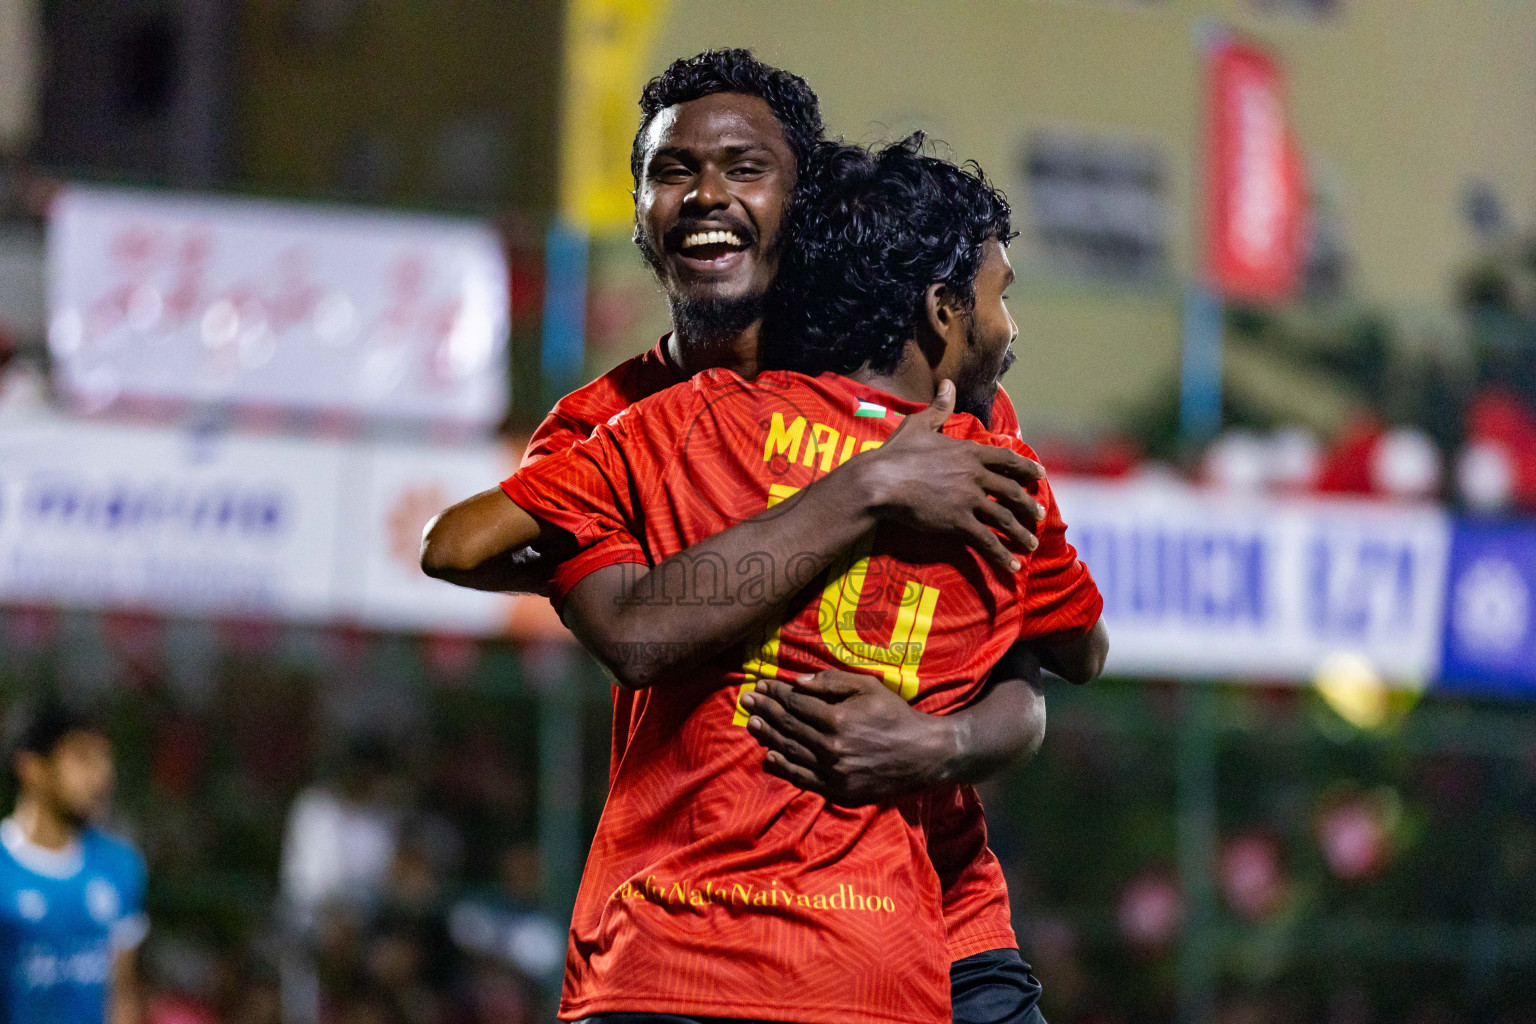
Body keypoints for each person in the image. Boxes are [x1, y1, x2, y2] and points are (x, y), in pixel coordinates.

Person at [422, 49, 1093, 1024]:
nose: (704, 196)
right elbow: (582, 603)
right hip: (709, 934)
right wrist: (854, 495)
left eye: (745, 168)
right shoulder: (620, 417)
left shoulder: (947, 395)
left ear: (803, 202)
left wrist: (936, 741)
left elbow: (1035, 666)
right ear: (641, 208)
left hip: (936, 920)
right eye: (670, 171)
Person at [1, 702, 147, 1024]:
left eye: (104, 759)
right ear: (31, 768)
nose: (101, 775)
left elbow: (121, 993)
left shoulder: (120, 866)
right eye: (83, 758)